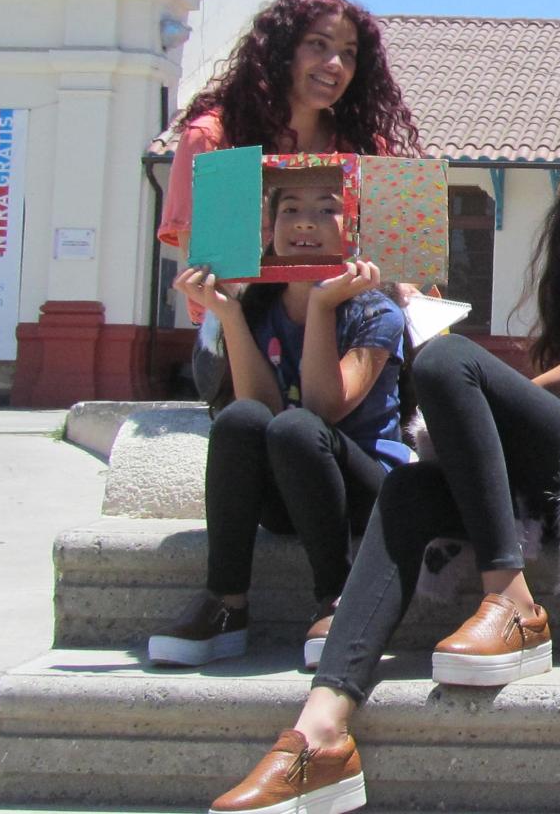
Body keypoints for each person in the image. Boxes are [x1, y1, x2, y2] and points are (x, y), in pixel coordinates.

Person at [205, 118, 560, 814]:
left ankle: (512, 600)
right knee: (409, 488)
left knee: (445, 359)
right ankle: (320, 734)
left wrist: (464, 389)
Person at [149, 187, 409, 671]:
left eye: (326, 209)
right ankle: (226, 602)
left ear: (352, 227)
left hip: (362, 493)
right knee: (240, 419)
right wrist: (227, 313)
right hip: (289, 489)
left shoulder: (377, 312)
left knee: (296, 429)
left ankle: (335, 596)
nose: (305, 223)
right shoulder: (257, 308)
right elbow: (259, 408)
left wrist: (321, 306)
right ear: (269, 230)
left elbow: (320, 408)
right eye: (290, 210)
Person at [159, 0, 421, 393]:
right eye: (318, 44)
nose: (334, 64)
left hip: (351, 333)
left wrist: (400, 281)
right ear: (281, 50)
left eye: (349, 53)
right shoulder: (214, 138)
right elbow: (208, 271)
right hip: (242, 336)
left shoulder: (367, 149)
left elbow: (404, 265)